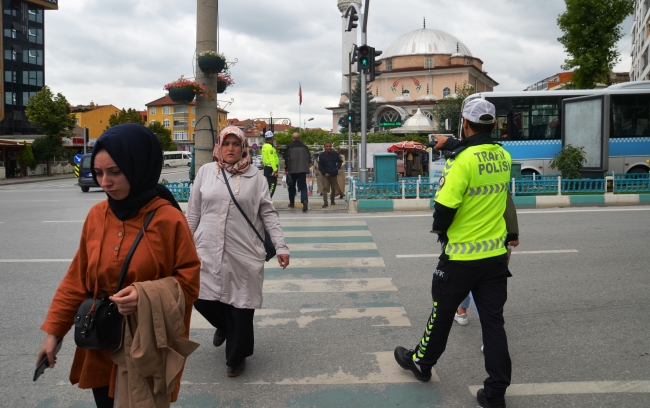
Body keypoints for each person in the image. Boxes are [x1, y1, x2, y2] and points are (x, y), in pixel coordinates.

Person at [36, 124, 201, 408]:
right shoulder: (97, 215)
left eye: (114, 172)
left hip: (146, 344)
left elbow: (189, 283)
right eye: (99, 173)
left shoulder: (169, 219)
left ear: (138, 167)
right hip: (101, 340)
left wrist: (144, 296)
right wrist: (54, 335)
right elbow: (77, 281)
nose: (105, 182)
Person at [394, 99, 516, 408]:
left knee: (442, 311)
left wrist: (443, 234)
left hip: (461, 256)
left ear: (464, 122)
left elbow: (444, 207)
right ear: (493, 125)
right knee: (493, 324)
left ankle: (422, 363)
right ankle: (496, 393)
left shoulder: (461, 160)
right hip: (495, 257)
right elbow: (484, 162)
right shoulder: (503, 155)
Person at [187, 126, 290, 378]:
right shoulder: (205, 172)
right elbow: (193, 212)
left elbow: (267, 213)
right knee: (198, 295)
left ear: (244, 147)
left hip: (244, 250)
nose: (230, 148)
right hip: (207, 248)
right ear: (219, 146)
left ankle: (237, 357)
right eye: (226, 143)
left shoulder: (256, 177)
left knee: (241, 304)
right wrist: (183, 245)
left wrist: (281, 246)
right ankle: (224, 327)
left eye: (236, 144)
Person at [284, 132, 311, 212]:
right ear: (300, 139)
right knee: (303, 186)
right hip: (302, 169)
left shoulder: (289, 147)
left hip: (292, 170)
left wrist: (287, 169)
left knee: (291, 186)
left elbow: (287, 158)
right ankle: (304, 200)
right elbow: (309, 158)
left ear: (292, 139)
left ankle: (292, 202)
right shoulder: (305, 147)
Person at [318, 142, 342, 208]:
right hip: (325, 174)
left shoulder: (335, 154)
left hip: (333, 174)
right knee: (325, 188)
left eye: (329, 146)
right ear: (324, 147)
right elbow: (320, 166)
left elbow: (340, 161)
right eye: (327, 146)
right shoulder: (321, 155)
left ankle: (332, 200)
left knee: (333, 188)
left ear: (331, 147)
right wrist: (324, 173)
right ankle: (325, 202)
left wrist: (337, 168)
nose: (328, 147)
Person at [261, 131, 279, 197]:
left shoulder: (264, 146)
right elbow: (272, 159)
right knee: (272, 185)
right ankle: (268, 199)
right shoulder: (270, 147)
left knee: (268, 184)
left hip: (266, 168)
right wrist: (275, 170)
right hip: (271, 168)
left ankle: (266, 199)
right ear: (272, 138)